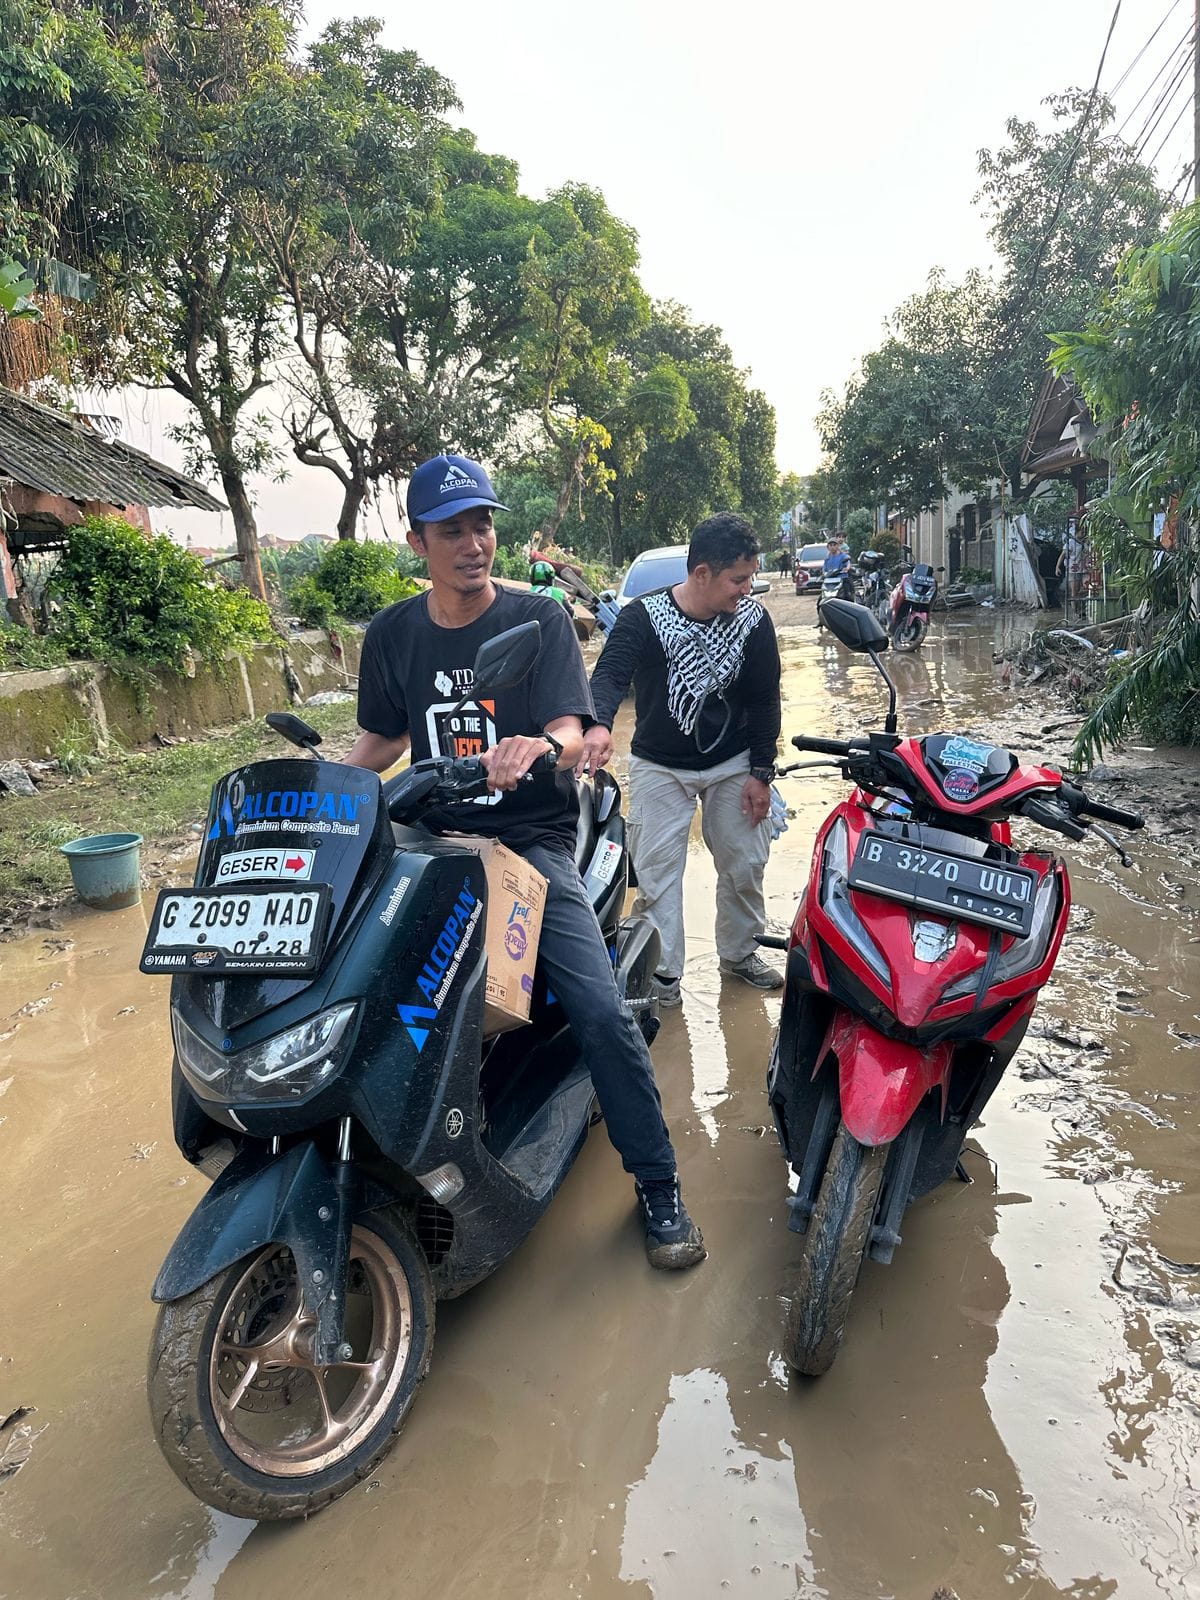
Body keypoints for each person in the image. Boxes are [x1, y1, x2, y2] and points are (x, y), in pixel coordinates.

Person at [344, 454, 705, 1271]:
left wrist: (538, 746)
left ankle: (658, 1186)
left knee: (601, 1010)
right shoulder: (393, 635)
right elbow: (384, 740)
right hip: (428, 837)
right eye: (452, 530)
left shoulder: (538, 618)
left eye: (483, 525)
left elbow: (573, 728)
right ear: (417, 542)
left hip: (529, 840)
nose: (474, 544)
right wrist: (324, 790)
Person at [581, 513, 783, 1009]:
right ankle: (663, 977)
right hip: (659, 767)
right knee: (656, 873)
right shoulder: (643, 617)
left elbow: (764, 702)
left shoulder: (754, 622)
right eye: (738, 579)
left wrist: (762, 773)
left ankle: (739, 954)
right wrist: (600, 724)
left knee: (745, 863)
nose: (746, 589)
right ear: (701, 574)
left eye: (750, 578)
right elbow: (608, 676)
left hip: (734, 763)